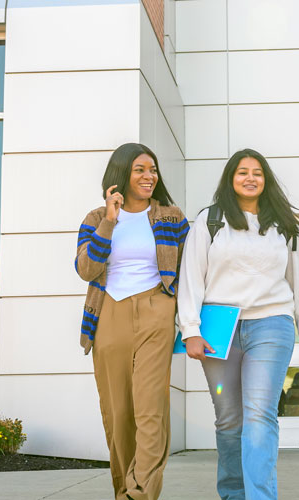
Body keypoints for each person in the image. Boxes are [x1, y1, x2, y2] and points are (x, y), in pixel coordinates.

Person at [178, 148, 299, 500]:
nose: (250, 177)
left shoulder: (282, 226)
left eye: (257, 172)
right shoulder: (210, 221)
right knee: (229, 420)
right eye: (242, 171)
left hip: (271, 325)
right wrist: (190, 330)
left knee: (260, 417)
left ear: (266, 179)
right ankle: (233, 495)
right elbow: (191, 277)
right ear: (231, 179)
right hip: (219, 329)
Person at [75, 142, 188, 500]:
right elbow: (86, 269)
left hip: (157, 307)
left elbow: (192, 269)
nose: (149, 176)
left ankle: (138, 494)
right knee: (118, 412)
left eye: (152, 169)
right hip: (108, 312)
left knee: (150, 409)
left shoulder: (172, 216)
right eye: (140, 169)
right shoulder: (96, 218)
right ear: (122, 172)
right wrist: (110, 221)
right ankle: (123, 488)